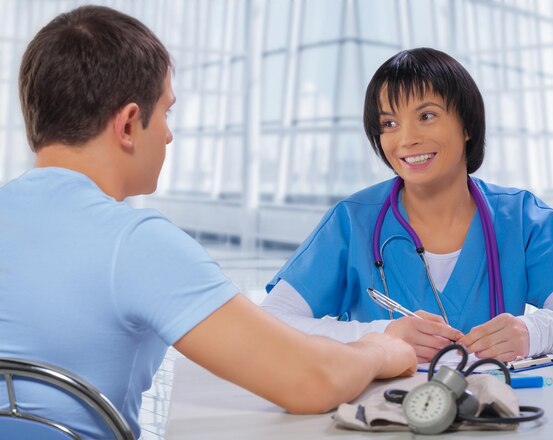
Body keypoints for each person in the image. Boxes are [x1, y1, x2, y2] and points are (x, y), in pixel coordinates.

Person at [0, 6, 417, 439]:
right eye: (166, 112)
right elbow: (311, 381)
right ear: (127, 124)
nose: (167, 135)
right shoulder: (135, 244)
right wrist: (378, 348)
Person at [263, 47, 553, 364]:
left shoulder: (520, 218)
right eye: (389, 123)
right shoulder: (353, 221)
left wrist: (533, 332)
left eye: (426, 116)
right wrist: (378, 337)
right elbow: (272, 323)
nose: (406, 139)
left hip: (495, 419)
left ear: (467, 125)